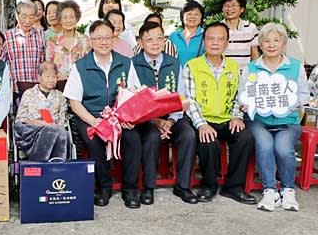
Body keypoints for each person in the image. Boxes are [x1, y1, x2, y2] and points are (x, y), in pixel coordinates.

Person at [64, 20, 140, 207]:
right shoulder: (80, 66)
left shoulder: (126, 63)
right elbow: (74, 102)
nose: (103, 42)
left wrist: (127, 118)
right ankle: (104, 187)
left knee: (133, 139)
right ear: (90, 41)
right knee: (95, 141)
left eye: (107, 37)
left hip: (120, 116)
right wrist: (94, 121)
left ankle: (130, 189)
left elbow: (133, 93)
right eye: (98, 38)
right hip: (90, 116)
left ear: (114, 39)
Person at [183, 22, 256, 205]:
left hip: (226, 118)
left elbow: (239, 96)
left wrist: (237, 116)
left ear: (227, 43)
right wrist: (201, 124)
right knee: (208, 140)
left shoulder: (234, 66)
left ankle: (233, 187)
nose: (215, 43)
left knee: (245, 137)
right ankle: (209, 185)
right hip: (202, 118)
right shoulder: (192, 66)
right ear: (204, 41)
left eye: (220, 39)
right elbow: (189, 99)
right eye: (210, 38)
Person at [239, 23, 310, 212]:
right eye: (266, 41)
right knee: (265, 145)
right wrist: (245, 103)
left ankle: (287, 190)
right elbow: (242, 94)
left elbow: (304, 95)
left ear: (284, 43)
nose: (271, 45)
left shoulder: (295, 66)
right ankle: (269, 190)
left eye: (276, 40)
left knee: (284, 148)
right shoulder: (252, 68)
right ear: (260, 44)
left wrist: (288, 102)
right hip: (259, 120)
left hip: (287, 120)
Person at [131, 22, 198, 205]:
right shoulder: (132, 65)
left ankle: (183, 186)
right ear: (141, 42)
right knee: (151, 137)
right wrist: (156, 121)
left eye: (159, 38)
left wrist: (170, 120)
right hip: (146, 119)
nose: (155, 43)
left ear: (165, 40)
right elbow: (134, 100)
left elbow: (181, 95)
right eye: (149, 39)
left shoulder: (174, 63)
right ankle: (148, 186)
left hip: (173, 116)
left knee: (189, 135)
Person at [14, 62, 70, 161]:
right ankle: (46, 165)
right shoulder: (29, 93)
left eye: (54, 77)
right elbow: (20, 119)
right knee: (52, 131)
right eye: (47, 76)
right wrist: (36, 123)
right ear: (39, 78)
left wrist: (50, 126)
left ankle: (52, 166)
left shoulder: (60, 96)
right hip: (31, 131)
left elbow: (62, 122)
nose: (51, 80)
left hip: (54, 130)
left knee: (60, 132)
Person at [1, 1, 46, 98]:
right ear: (17, 16)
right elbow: (0, 63)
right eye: (24, 16)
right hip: (15, 91)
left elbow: (44, 62)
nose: (28, 20)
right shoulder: (6, 36)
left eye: (31, 16)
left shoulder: (41, 35)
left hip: (38, 91)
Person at [45, 0, 89, 91]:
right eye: (65, 17)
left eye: (71, 17)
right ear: (60, 19)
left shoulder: (85, 41)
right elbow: (48, 65)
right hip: (58, 87)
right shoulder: (52, 41)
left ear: (77, 19)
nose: (68, 20)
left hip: (81, 86)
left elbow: (89, 65)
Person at [220, 0, 260, 73]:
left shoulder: (250, 27)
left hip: (244, 76)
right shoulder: (217, 28)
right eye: (226, 5)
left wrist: (254, 74)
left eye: (234, 5)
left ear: (242, 9)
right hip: (222, 76)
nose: (229, 9)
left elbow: (255, 54)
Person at [169, 0, 205, 66]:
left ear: (201, 17)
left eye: (196, 14)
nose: (192, 17)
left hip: (198, 75)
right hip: (176, 75)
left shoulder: (206, 36)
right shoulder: (173, 36)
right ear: (182, 16)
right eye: (189, 14)